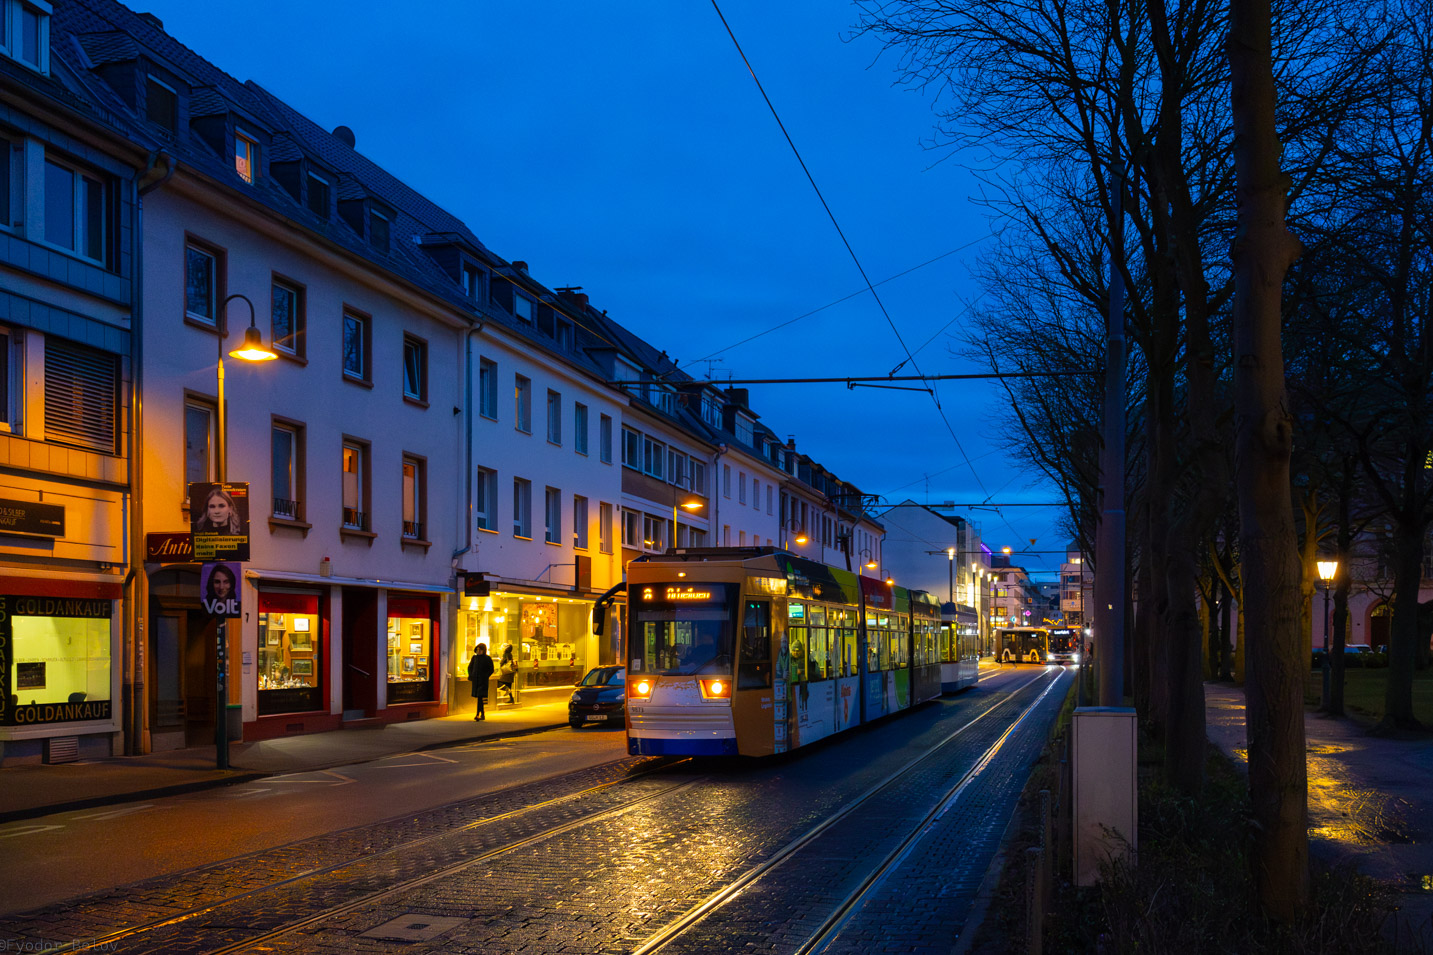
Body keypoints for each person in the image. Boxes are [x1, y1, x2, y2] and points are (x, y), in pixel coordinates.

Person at [467, 643, 495, 720]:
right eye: (477, 650)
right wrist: (471, 674)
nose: (478, 651)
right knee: (479, 697)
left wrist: (486, 676)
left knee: (480, 696)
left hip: (483, 681)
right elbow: (470, 667)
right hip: (476, 681)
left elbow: (491, 669)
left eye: (480, 650)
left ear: (484, 650)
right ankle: (482, 714)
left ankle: (478, 714)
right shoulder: (474, 658)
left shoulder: (487, 658)